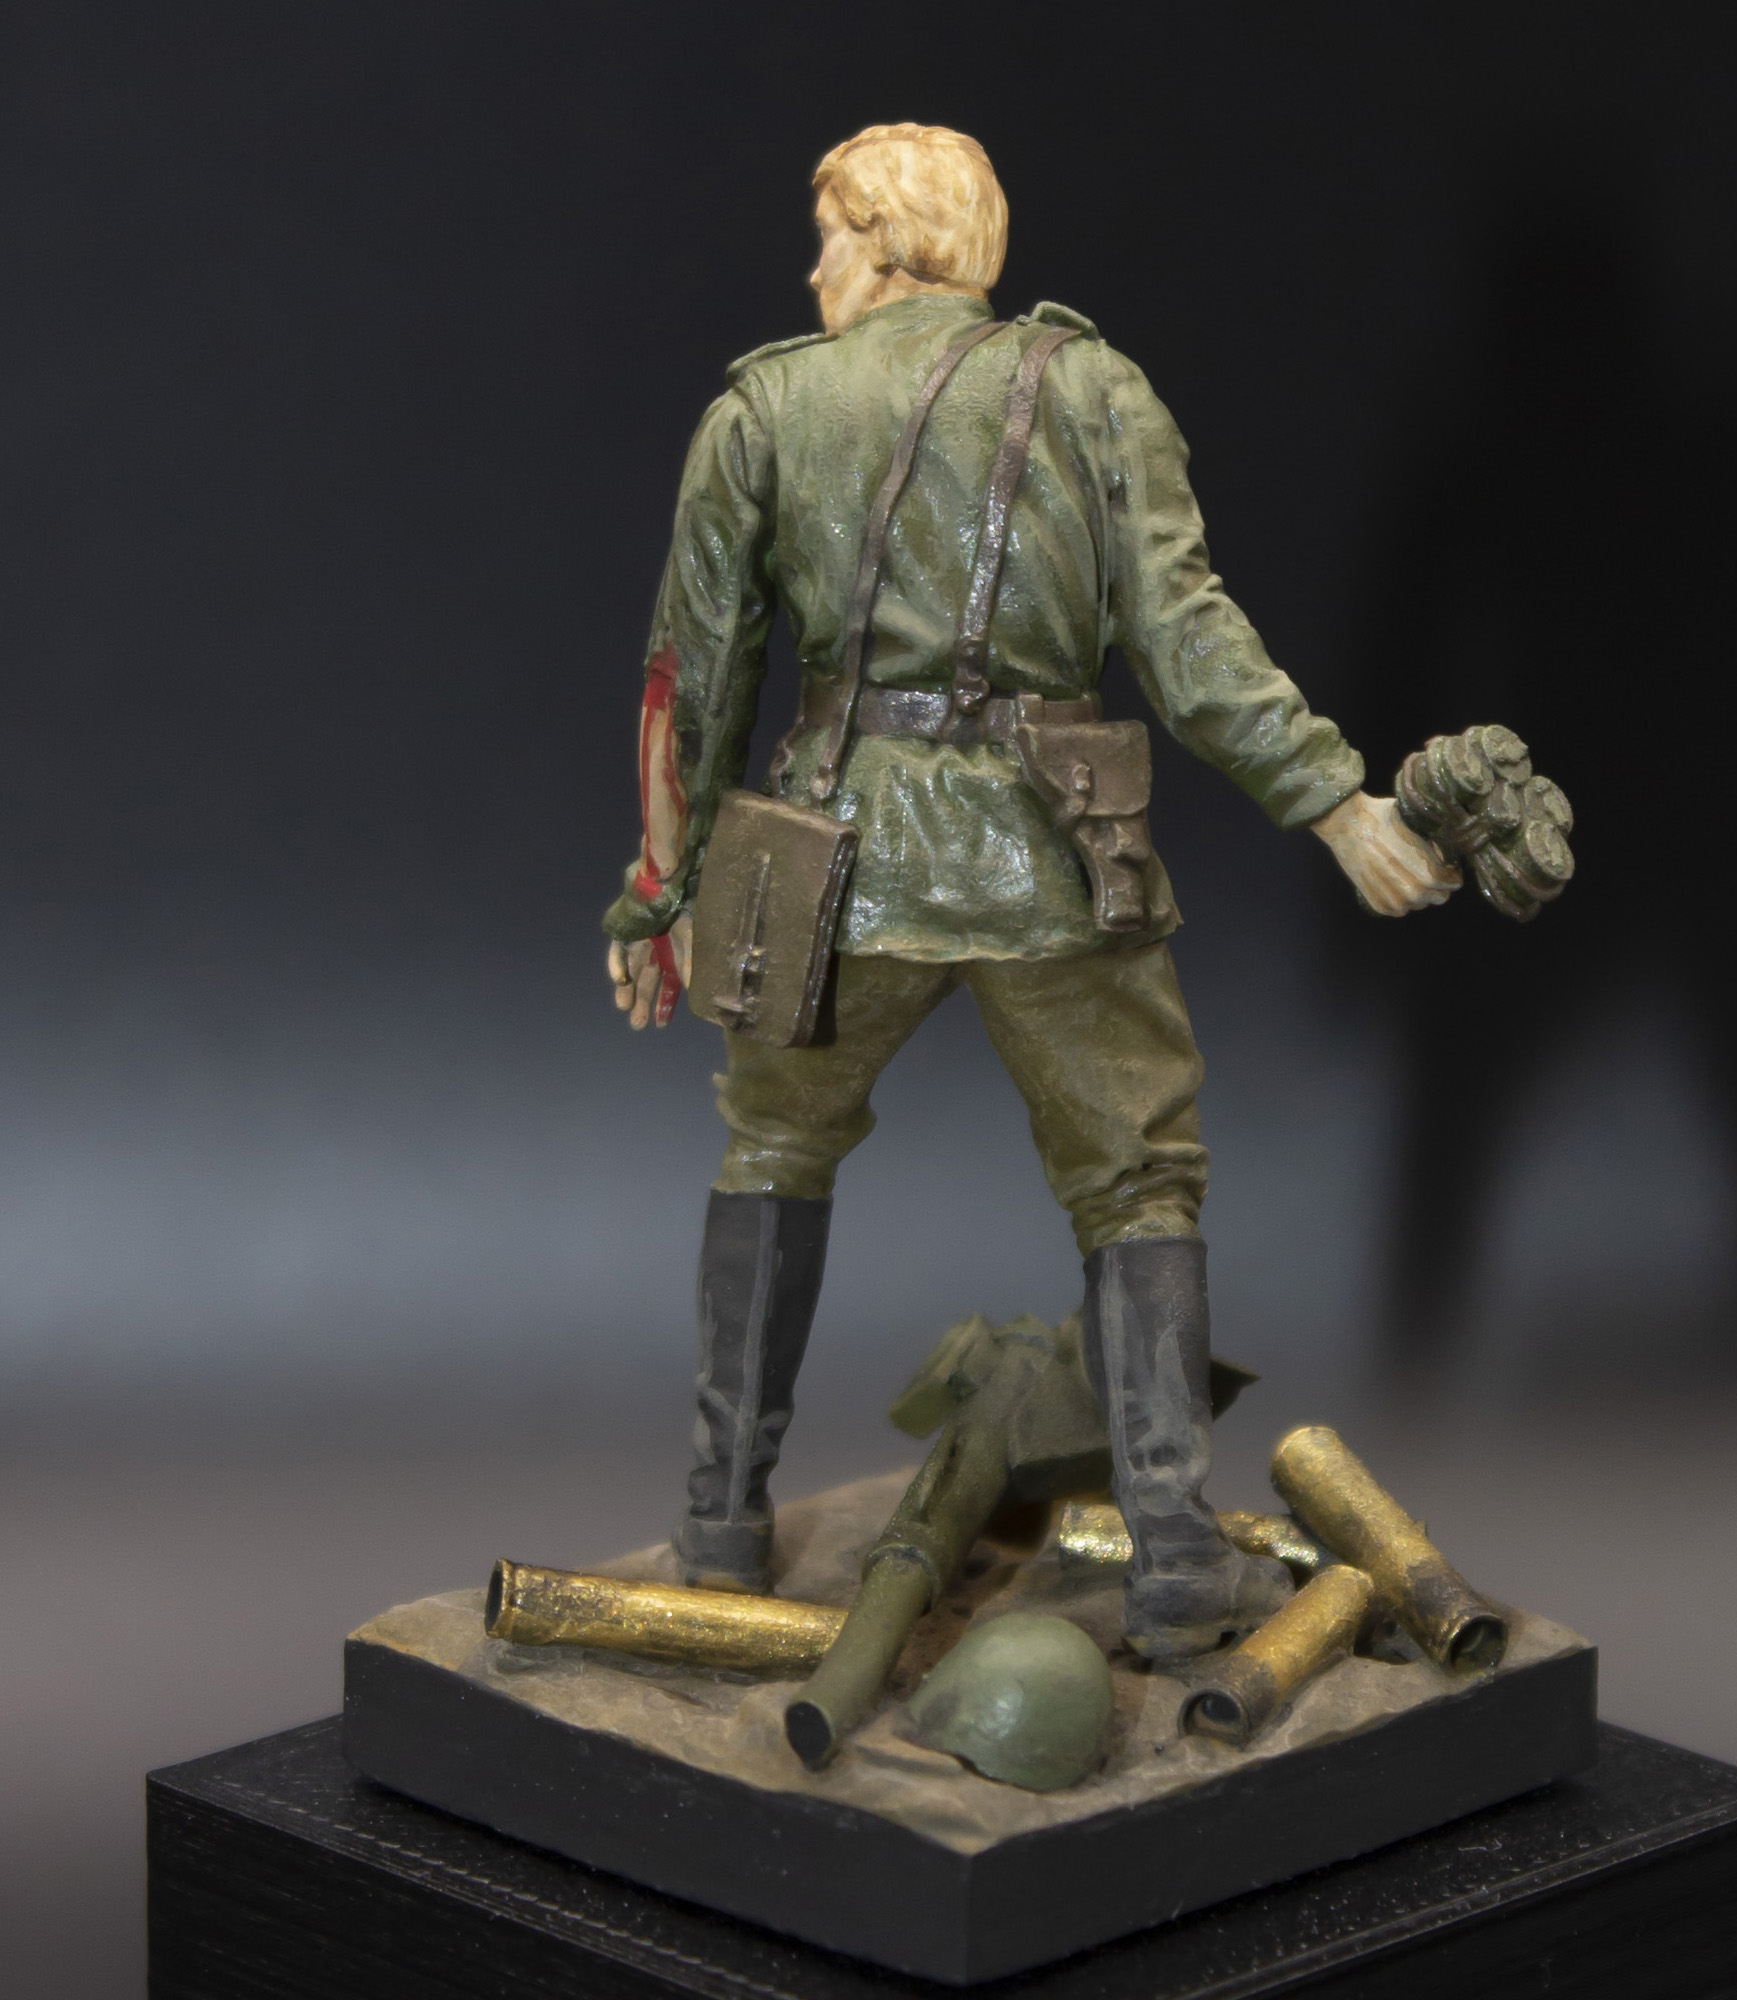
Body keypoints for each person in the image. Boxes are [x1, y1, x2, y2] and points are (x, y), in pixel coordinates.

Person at [603, 123, 1456, 1657]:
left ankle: (720, 1526)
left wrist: (661, 896)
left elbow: (698, 677)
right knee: (1138, 1178)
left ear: (887, 241)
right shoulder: (1096, 390)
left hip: (831, 859)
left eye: (829, 234)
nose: (812, 266)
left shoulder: (765, 410)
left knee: (774, 1151)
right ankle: (1175, 1552)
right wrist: (1338, 804)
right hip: (1060, 847)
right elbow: (1190, 646)